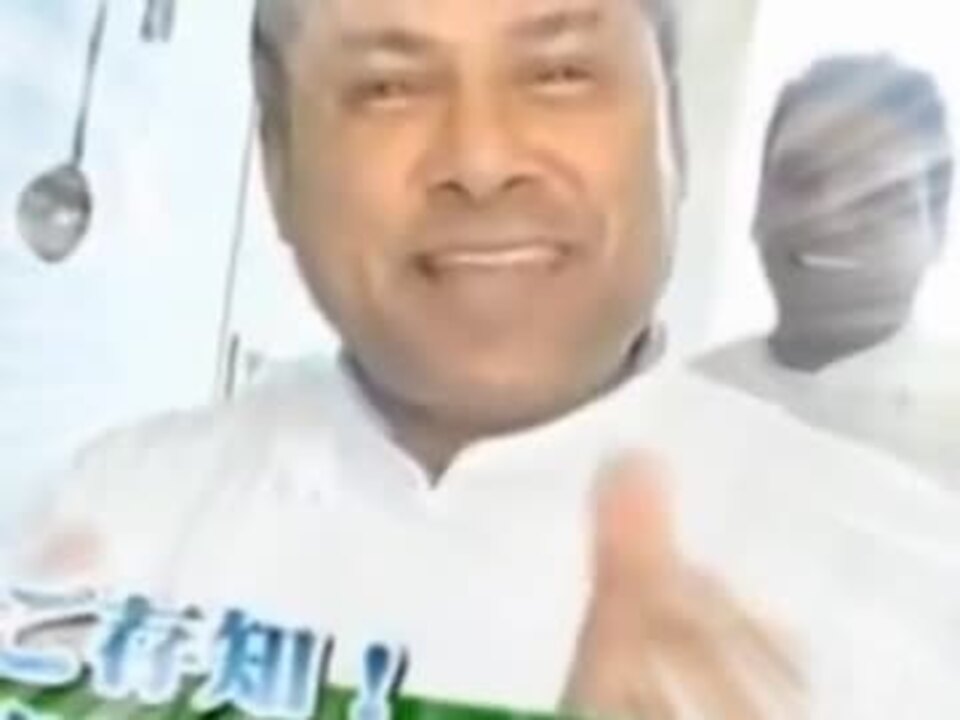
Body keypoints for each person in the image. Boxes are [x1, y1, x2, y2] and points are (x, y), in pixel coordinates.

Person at [9, 2, 960, 718]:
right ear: (278, 163)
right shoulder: (106, 519)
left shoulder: (915, 591)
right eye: (388, 87)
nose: (481, 158)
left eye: (559, 73)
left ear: (672, 129)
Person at [696, 54, 960, 483]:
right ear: (757, 211)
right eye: (802, 180)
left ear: (938, 232)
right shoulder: (682, 409)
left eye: (877, 191)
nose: (827, 217)